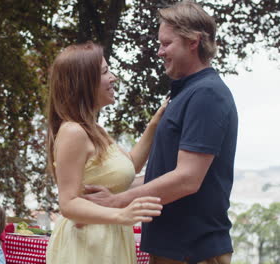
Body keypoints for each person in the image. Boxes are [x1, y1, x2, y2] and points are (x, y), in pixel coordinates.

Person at [84, 1, 238, 263]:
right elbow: (164, 175)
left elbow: (187, 178)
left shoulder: (207, 94)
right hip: (174, 249)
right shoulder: (186, 94)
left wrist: (118, 201)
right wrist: (109, 189)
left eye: (166, 43)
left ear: (193, 42)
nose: (159, 52)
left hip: (193, 250)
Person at [45, 41, 166, 264]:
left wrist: (155, 124)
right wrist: (121, 214)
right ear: (84, 82)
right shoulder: (73, 132)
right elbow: (68, 203)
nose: (113, 78)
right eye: (104, 72)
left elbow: (130, 167)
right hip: (87, 246)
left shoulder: (95, 129)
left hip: (108, 241)